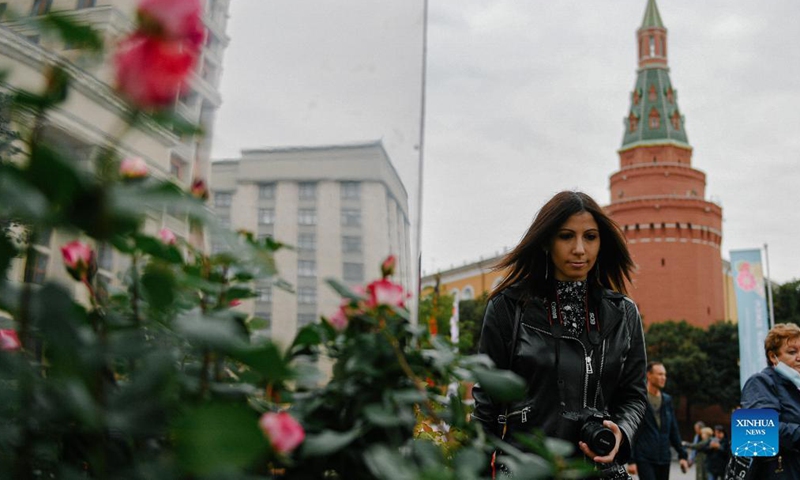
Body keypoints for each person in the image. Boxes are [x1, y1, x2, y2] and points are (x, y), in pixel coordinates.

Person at [471, 191, 647, 478]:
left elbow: (634, 396)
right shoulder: (508, 308)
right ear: (546, 241)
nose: (579, 249)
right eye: (566, 236)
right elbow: (486, 406)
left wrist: (620, 433)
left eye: (590, 237)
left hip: (599, 471)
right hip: (525, 470)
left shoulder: (623, 313)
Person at [739, 322, 800, 478]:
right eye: (792, 352)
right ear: (773, 356)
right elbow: (760, 432)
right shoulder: (760, 382)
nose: (799, 357)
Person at [628, 362, 689, 480]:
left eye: (665, 375)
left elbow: (673, 430)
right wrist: (631, 460)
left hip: (664, 458)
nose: (663, 378)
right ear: (649, 375)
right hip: (644, 457)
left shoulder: (667, 400)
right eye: (660, 374)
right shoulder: (639, 399)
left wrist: (682, 455)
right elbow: (632, 431)